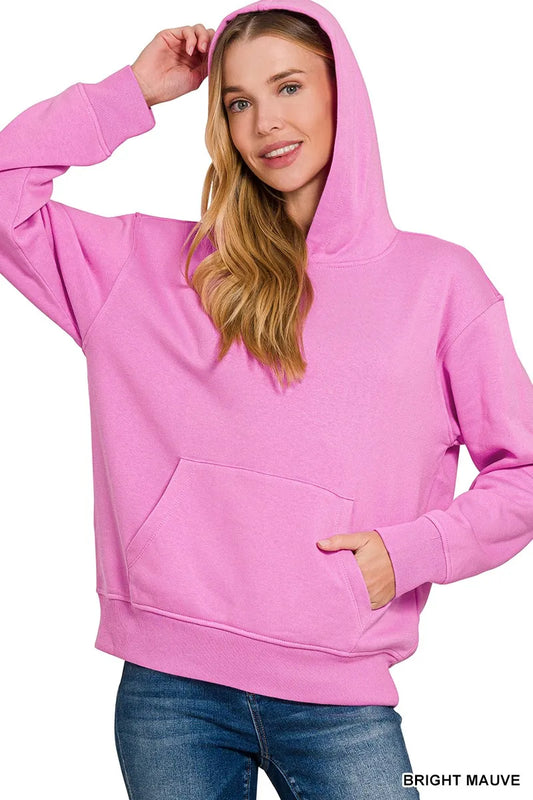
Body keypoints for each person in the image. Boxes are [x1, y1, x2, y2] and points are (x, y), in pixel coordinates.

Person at [0, 0, 532, 797]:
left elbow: (521, 470)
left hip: (339, 699)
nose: (264, 123)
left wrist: (410, 553)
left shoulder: (439, 284)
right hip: (169, 692)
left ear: (340, 92)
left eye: (288, 87)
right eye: (237, 102)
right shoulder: (140, 267)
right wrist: (131, 92)